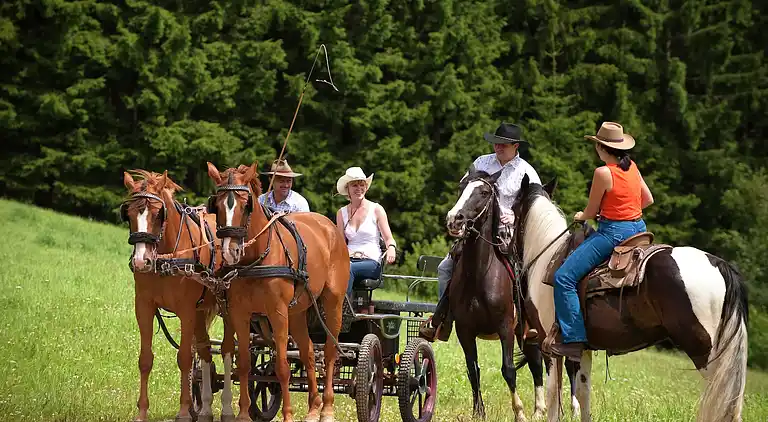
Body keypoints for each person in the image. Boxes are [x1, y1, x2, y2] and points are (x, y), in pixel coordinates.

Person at [420, 122, 542, 342]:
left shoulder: (527, 172)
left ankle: (529, 322)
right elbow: (464, 192)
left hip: (510, 232)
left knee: (525, 271)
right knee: (445, 267)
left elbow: (538, 206)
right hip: (477, 231)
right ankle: (443, 319)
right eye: (496, 143)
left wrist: (515, 217)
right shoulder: (480, 163)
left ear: (516, 146)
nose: (498, 147)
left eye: (503, 144)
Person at [544, 121, 654, 361]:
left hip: (613, 233)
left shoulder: (603, 173)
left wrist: (580, 216)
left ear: (602, 148)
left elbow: (591, 212)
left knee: (564, 277)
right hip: (639, 229)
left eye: (596, 145)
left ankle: (574, 340)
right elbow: (648, 200)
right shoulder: (632, 166)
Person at [335, 167, 397, 298]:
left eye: (362, 185)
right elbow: (340, 244)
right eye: (354, 185)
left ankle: (342, 306)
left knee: (347, 269)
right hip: (348, 259)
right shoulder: (341, 213)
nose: (359, 188)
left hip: (371, 261)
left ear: (366, 187)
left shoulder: (376, 209)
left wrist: (391, 248)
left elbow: (389, 238)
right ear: (347, 189)